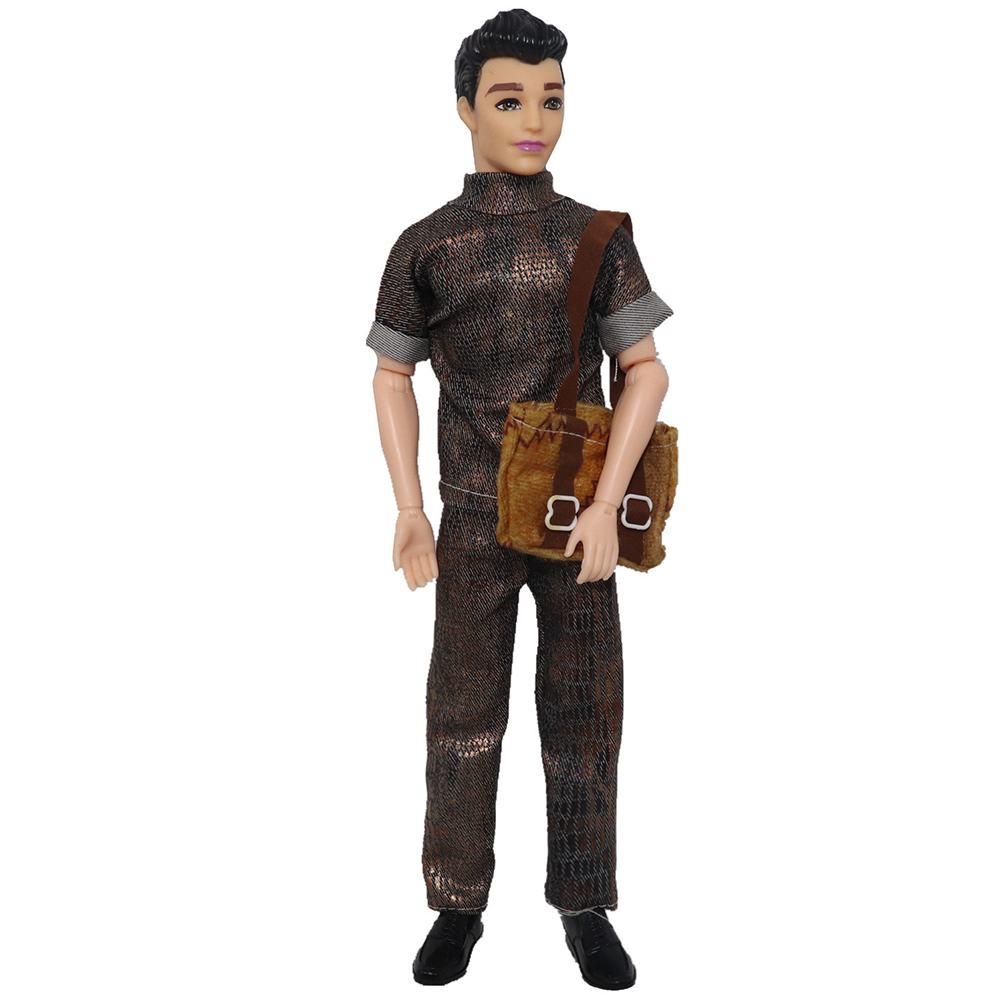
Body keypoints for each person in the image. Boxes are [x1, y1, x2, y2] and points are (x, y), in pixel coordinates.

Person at [368, 8, 672, 990]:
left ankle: (586, 901)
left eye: (552, 99)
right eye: (509, 100)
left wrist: (607, 504)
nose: (535, 120)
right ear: (465, 108)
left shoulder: (596, 236)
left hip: (573, 511)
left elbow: (646, 370)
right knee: (462, 714)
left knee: (585, 709)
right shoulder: (428, 245)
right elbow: (390, 376)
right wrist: (410, 509)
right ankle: (456, 901)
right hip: (469, 516)